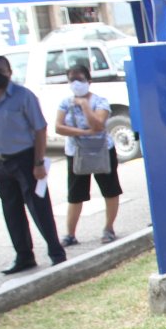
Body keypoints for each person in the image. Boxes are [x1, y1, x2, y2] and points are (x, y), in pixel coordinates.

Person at [0, 54, 65, 274]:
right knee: (11, 210)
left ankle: (56, 253)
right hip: (0, 163)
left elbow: (40, 129)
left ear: (9, 72)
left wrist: (38, 162)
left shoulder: (23, 96)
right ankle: (24, 256)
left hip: (25, 159)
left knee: (39, 208)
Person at [54, 64, 122, 245]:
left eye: (80, 79)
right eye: (72, 79)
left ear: (89, 81)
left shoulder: (100, 102)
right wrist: (83, 133)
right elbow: (58, 127)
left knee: (110, 190)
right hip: (76, 152)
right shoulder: (65, 103)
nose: (76, 83)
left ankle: (108, 228)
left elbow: (99, 125)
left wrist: (84, 106)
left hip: (102, 150)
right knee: (75, 194)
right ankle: (70, 234)